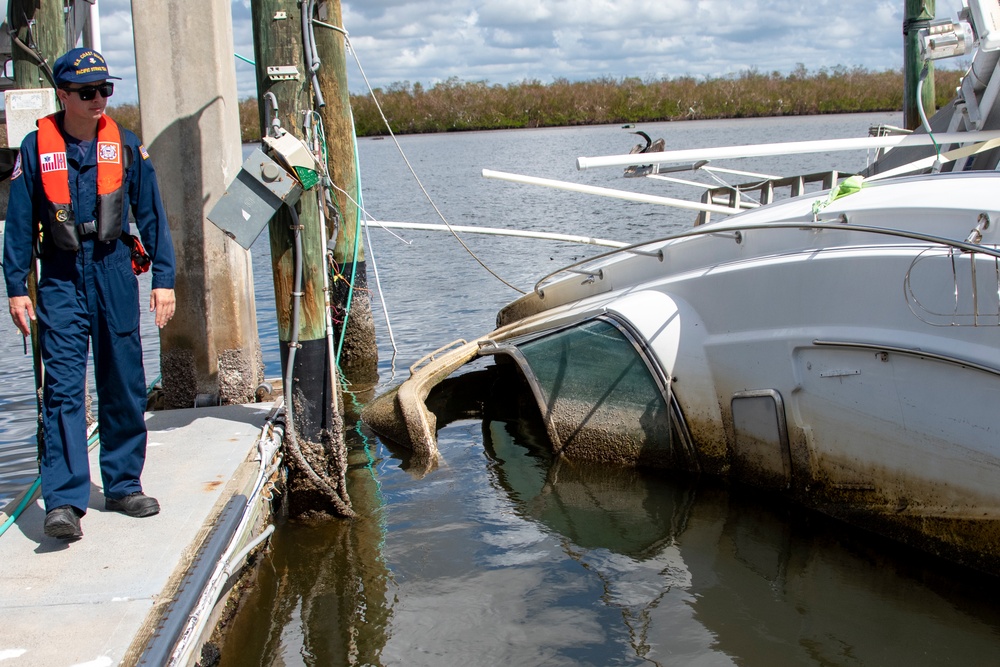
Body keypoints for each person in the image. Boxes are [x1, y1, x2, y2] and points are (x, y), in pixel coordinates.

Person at [3, 48, 176, 540]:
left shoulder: (125, 145)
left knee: (123, 378)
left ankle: (123, 484)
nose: (99, 98)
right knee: (61, 387)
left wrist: (163, 279)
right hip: (60, 277)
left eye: (105, 89)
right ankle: (63, 501)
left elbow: (154, 218)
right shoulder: (36, 150)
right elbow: (18, 228)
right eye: (87, 92)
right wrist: (17, 288)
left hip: (114, 269)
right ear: (63, 95)